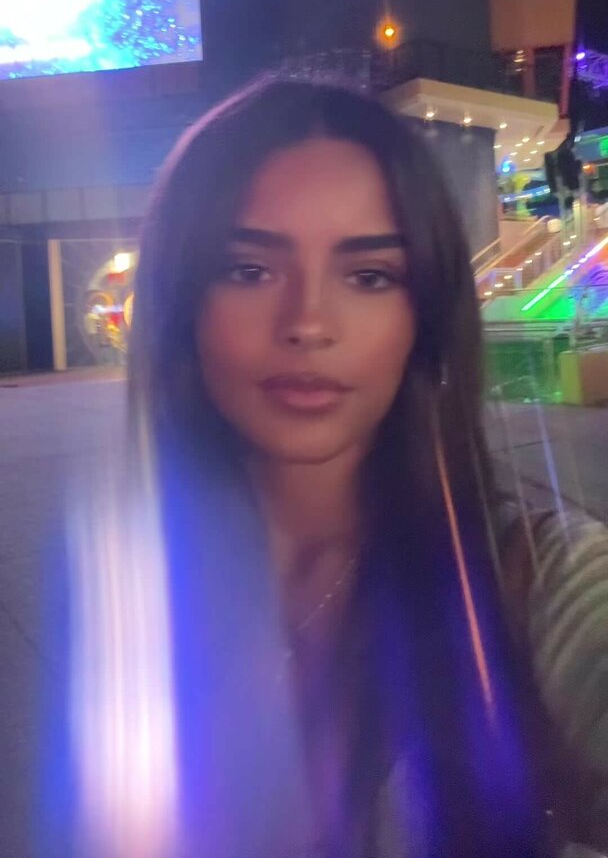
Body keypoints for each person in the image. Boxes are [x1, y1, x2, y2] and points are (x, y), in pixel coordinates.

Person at [64, 79, 608, 857]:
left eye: (369, 276)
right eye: (249, 270)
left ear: (425, 316)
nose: (309, 324)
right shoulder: (138, 591)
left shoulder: (546, 580)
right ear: (181, 302)